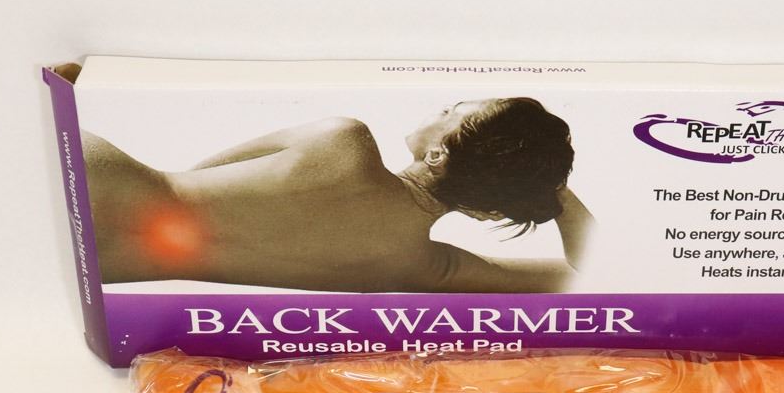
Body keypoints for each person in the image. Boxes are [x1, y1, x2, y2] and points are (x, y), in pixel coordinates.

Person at [82, 97, 595, 293]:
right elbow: (585, 272)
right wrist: (548, 189)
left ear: (438, 154)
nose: (440, 108)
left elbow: (200, 173)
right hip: (113, 264)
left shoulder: (342, 141)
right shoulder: (421, 267)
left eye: (451, 110)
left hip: (99, 178)